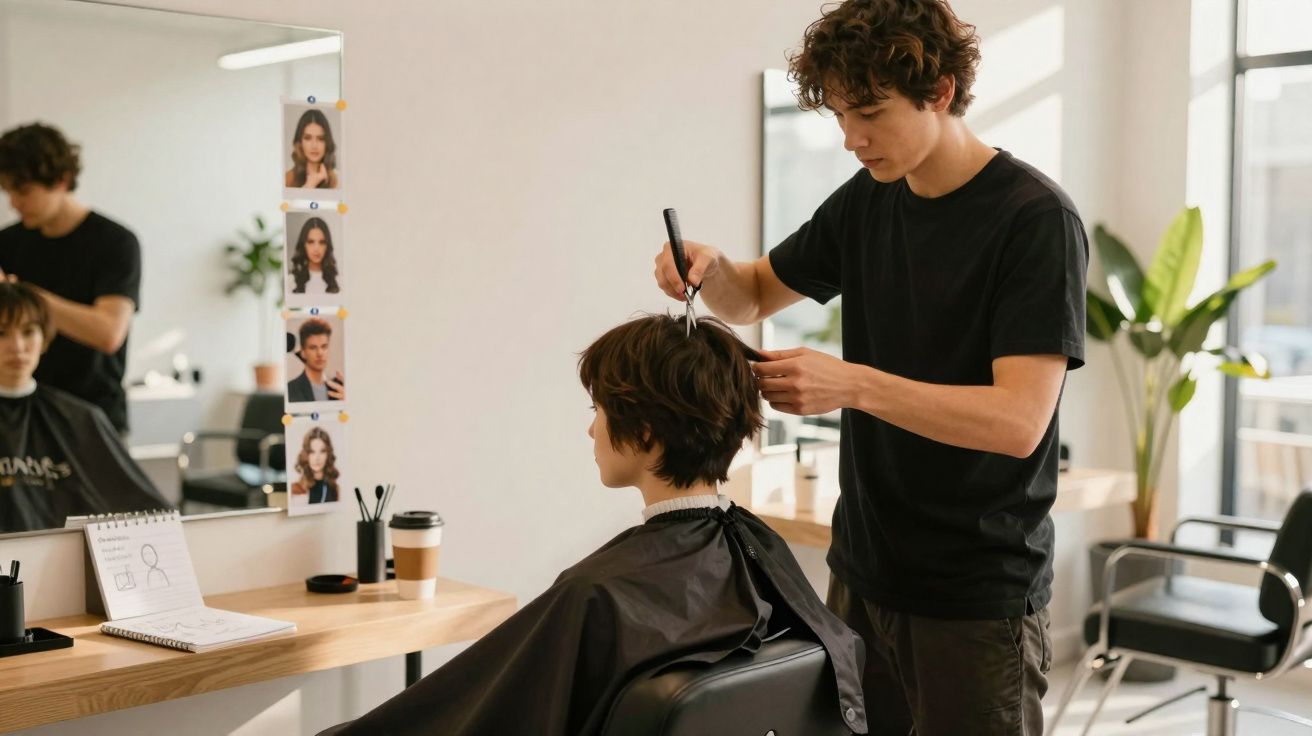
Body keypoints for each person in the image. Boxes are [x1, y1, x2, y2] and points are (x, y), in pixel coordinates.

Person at [653, 2, 1087, 733]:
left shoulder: (1034, 220)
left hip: (977, 598)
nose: (853, 140)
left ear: (941, 91)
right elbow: (754, 293)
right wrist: (711, 267)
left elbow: (1017, 422)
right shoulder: (868, 199)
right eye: (841, 118)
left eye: (871, 115)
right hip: (863, 575)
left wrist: (850, 384)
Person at [317, 314, 868, 736]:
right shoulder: (757, 547)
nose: (591, 433)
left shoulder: (593, 595)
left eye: (597, 412)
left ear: (646, 434)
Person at [0, 122, 142, 434]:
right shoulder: (7, 243)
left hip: (95, 418)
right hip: (23, 415)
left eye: (23, 191)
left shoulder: (115, 243)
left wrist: (22, 293)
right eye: (8, 191)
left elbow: (108, 333)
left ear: (62, 180)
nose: (13, 203)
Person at [0, 281, 169, 533]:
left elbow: (150, 511)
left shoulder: (80, 417)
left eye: (28, 332)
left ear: (45, 337)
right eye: (2, 333)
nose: (18, 347)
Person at [287, 318, 345, 402]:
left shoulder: (340, 389)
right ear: (303, 352)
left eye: (324, 346)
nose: (320, 353)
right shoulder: (290, 390)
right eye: (313, 347)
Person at [284, 109, 339, 190]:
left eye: (320, 139)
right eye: (308, 138)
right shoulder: (287, 179)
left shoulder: (339, 181)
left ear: (327, 142)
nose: (314, 145)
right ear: (300, 142)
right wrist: (310, 185)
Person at [288, 217, 341, 295]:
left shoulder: (338, 281)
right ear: (303, 245)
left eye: (322, 242)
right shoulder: (291, 281)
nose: (316, 248)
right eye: (311, 242)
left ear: (327, 245)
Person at [291, 426, 339, 504]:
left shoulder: (334, 489)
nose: (317, 458)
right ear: (306, 454)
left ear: (328, 454)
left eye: (322, 451)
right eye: (312, 452)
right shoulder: (296, 488)